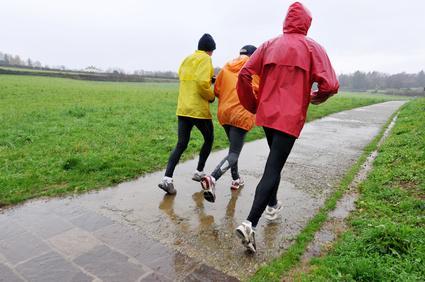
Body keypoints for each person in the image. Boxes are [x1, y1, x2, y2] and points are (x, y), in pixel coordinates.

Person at [235, 2, 339, 253]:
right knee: (274, 166)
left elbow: (244, 73)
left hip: (268, 114)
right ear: (306, 23)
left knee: (275, 161)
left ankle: (272, 205)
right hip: (289, 118)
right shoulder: (313, 48)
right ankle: (250, 223)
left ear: (286, 20)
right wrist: (315, 97)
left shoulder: (269, 44)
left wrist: (253, 104)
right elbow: (331, 85)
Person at [158, 33, 216, 195]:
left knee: (181, 144)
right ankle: (199, 172)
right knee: (209, 138)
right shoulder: (206, 59)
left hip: (183, 108)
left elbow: (189, 78)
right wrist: (211, 96)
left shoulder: (187, 59)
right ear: (210, 50)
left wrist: (209, 79)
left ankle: (167, 180)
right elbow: (200, 83)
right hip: (197, 110)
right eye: (212, 51)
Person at [200, 45, 259, 203]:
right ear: (254, 55)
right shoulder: (254, 69)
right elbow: (259, 91)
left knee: (233, 149)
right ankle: (212, 178)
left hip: (225, 113)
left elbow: (217, 90)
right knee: (234, 153)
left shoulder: (226, 67)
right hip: (241, 113)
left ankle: (236, 179)